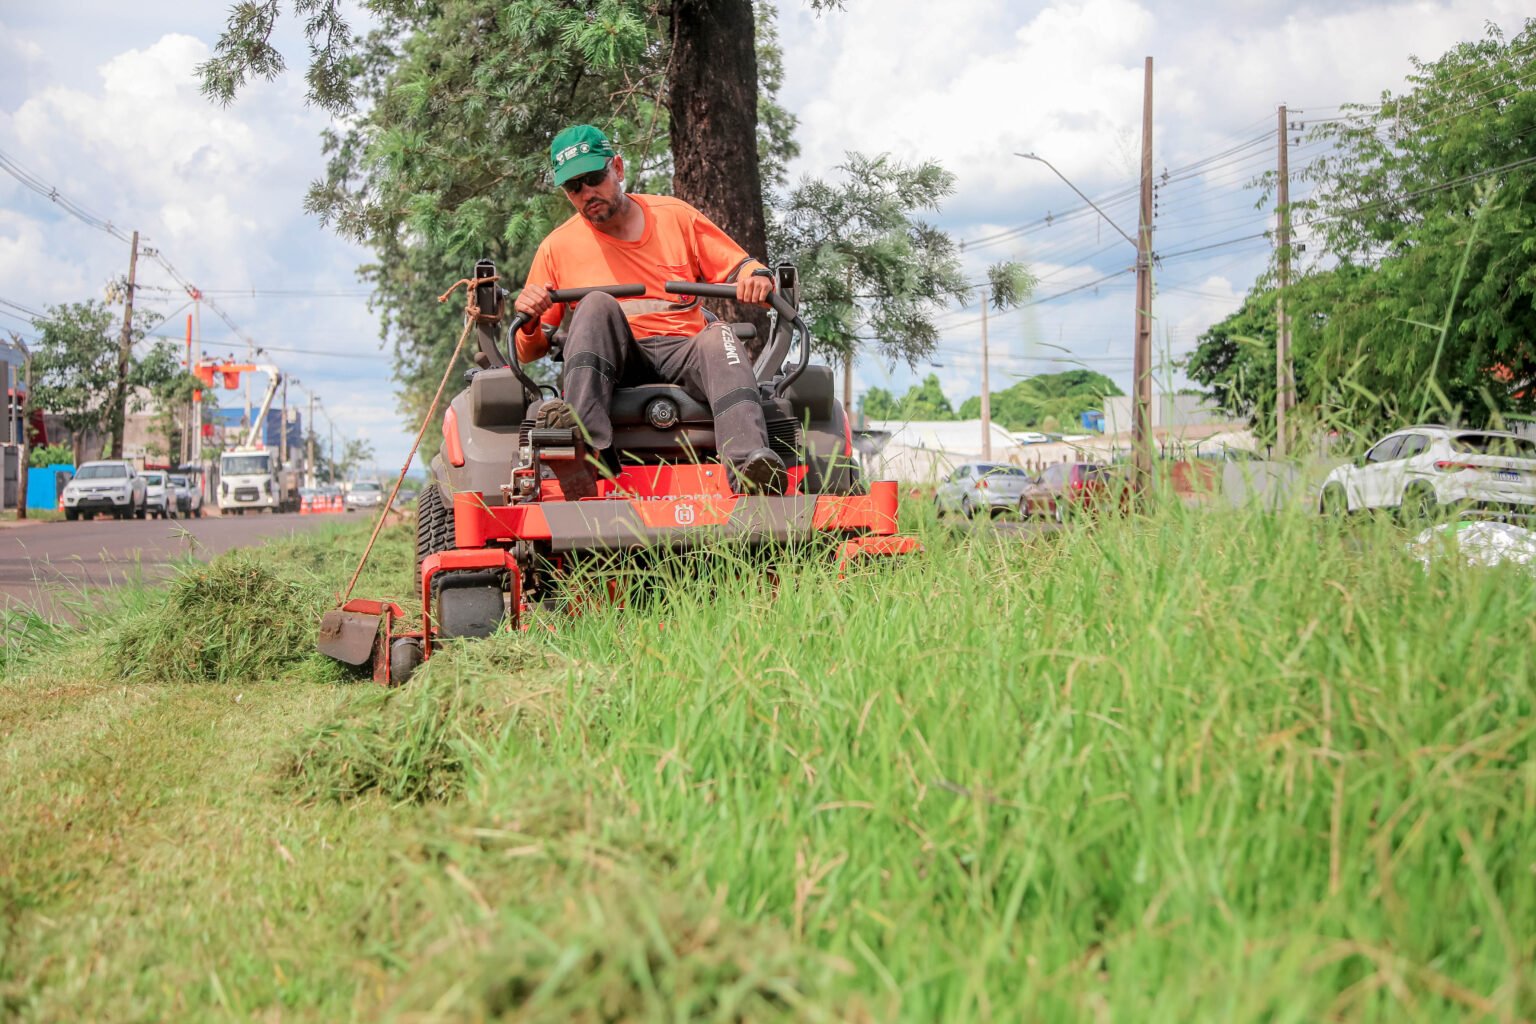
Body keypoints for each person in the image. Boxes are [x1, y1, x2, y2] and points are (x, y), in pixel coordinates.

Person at [513, 123, 786, 494]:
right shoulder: (557, 248)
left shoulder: (675, 217)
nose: (587, 193)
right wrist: (530, 320)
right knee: (595, 303)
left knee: (719, 336)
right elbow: (529, 351)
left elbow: (741, 267)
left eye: (593, 178)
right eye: (574, 187)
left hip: (683, 350)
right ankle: (584, 458)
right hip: (616, 362)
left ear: (617, 168)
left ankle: (751, 470)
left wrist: (757, 276)